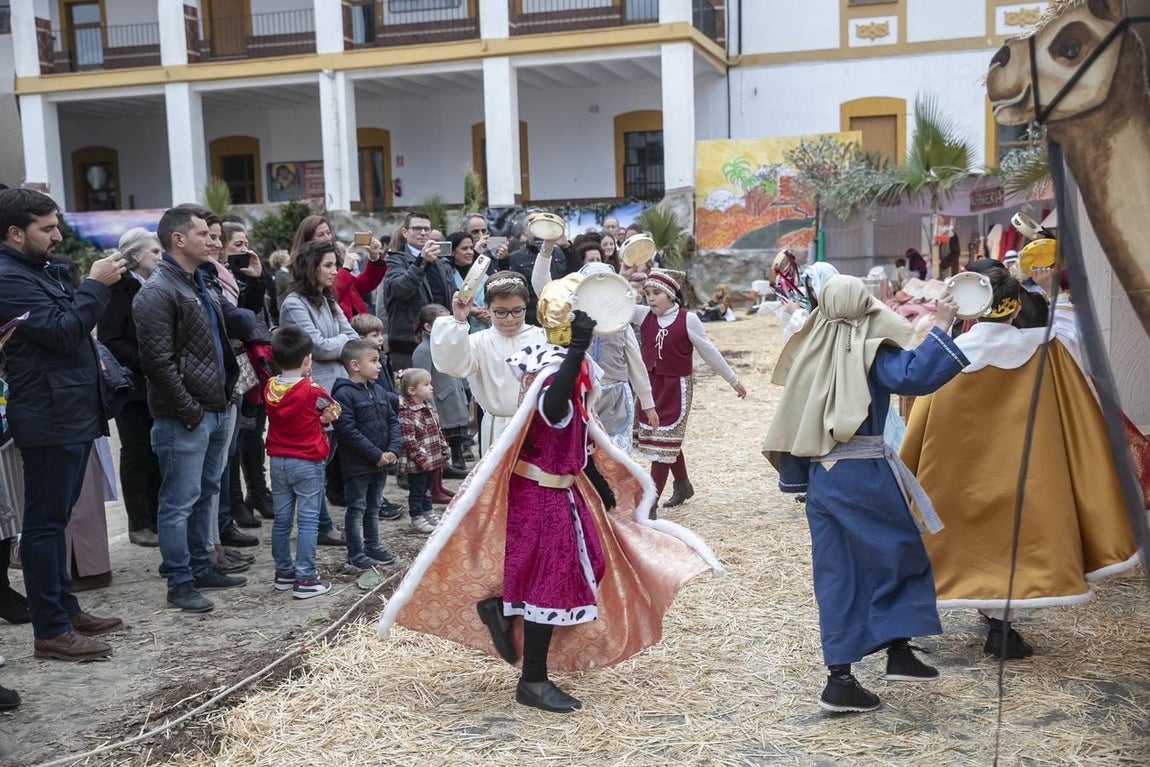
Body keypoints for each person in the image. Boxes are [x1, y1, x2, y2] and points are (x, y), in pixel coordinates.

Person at [378, 279, 722, 713]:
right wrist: (578, 349)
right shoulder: (551, 369)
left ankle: (502, 611)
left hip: (562, 488)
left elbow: (579, 431)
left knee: (587, 562)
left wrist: (597, 482)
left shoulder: (563, 364)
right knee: (551, 578)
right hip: (540, 492)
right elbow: (554, 408)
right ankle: (533, 680)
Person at [900, 271, 1139, 659]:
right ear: (1014, 310)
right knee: (1014, 545)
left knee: (964, 545)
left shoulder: (948, 355)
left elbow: (922, 423)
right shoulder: (1047, 353)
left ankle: (929, 625)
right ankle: (1001, 628)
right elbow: (1078, 412)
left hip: (957, 479)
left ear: (974, 311)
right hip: (1029, 474)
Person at [762, 275, 966, 713]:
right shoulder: (869, 350)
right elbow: (914, 376)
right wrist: (944, 324)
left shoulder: (810, 351)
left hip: (823, 480)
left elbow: (793, 420)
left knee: (839, 575)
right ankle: (897, 651)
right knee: (899, 556)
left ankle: (843, 680)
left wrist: (798, 479)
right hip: (863, 473)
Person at [0, 188, 124, 659]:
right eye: (46, 229)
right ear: (15, 233)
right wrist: (95, 284)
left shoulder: (36, 270)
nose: (56, 236)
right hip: (48, 413)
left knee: (57, 520)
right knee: (44, 526)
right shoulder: (8, 277)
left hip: (68, 409)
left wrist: (85, 286)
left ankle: (65, 610)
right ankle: (50, 631)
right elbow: (63, 330)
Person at [134, 206, 249, 613]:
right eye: (203, 233)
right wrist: (189, 411)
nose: (212, 239)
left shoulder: (200, 281)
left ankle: (203, 566)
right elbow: (157, 363)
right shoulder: (157, 290)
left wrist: (224, 395)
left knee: (207, 493)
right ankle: (179, 580)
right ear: (178, 239)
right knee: (178, 501)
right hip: (186, 415)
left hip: (216, 405)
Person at [632, 269, 747, 512]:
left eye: (656, 293)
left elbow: (709, 352)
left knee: (665, 441)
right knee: (665, 440)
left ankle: (649, 504)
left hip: (676, 388)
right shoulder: (643, 315)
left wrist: (733, 380)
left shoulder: (688, 319)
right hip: (650, 388)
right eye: (647, 293)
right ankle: (683, 484)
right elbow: (615, 308)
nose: (650, 298)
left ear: (671, 295)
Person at [279, 239, 357, 547]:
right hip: (311, 393)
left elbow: (350, 336)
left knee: (327, 456)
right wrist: (339, 343)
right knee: (314, 463)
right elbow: (317, 346)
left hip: (333, 388)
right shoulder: (294, 303)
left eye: (335, 265)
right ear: (311, 268)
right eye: (327, 265)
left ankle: (321, 523)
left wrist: (336, 343)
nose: (334, 271)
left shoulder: (328, 299)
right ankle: (319, 525)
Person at [431, 272, 547, 454]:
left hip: (538, 426)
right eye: (500, 312)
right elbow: (452, 365)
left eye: (517, 311)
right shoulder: (478, 342)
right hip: (498, 427)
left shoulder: (542, 337)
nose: (510, 319)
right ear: (486, 308)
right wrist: (459, 319)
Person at [97, 227, 163, 547]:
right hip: (134, 386)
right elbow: (109, 339)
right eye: (154, 252)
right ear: (134, 256)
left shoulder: (157, 285)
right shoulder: (118, 291)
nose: (160, 257)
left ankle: (157, 517)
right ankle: (140, 522)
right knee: (137, 453)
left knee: (158, 452)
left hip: (159, 383)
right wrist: (145, 359)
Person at [265, 325, 339, 599]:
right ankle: (306, 577)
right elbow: (332, 409)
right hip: (307, 460)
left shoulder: (270, 387)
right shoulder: (312, 390)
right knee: (308, 520)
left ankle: (284, 572)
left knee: (282, 520)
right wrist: (326, 418)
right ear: (307, 359)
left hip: (278, 460)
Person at [331, 339, 400, 571]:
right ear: (355, 365)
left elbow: (392, 421)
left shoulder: (379, 390)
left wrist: (392, 450)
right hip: (358, 466)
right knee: (357, 508)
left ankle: (373, 546)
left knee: (374, 507)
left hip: (380, 462)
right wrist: (375, 455)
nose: (379, 365)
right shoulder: (343, 395)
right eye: (373, 360)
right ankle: (355, 553)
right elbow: (347, 431)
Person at [382, 212, 454, 371]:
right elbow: (400, 290)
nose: (422, 233)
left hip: (442, 340)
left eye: (426, 229)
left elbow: (449, 296)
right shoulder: (396, 259)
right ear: (405, 232)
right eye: (417, 228)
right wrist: (422, 261)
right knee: (415, 393)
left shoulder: (441, 262)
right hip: (409, 344)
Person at [412, 304, 470, 496]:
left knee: (442, 448)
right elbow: (422, 382)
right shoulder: (423, 350)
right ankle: (434, 489)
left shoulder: (445, 345)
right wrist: (431, 410)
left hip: (451, 400)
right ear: (428, 327)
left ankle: (439, 484)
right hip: (438, 405)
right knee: (434, 449)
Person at [396, 368, 449, 535]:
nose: (431, 387)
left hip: (432, 458)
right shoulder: (407, 413)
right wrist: (420, 458)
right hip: (419, 462)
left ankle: (428, 512)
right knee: (418, 489)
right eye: (426, 384)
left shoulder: (427, 408)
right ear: (412, 390)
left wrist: (443, 448)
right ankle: (417, 516)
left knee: (428, 487)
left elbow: (437, 431)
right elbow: (408, 440)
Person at [334, 234, 385, 321]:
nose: (327, 237)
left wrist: (375, 259)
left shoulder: (341, 271)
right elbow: (333, 293)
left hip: (359, 327)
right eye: (321, 234)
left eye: (328, 233)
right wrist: (345, 269)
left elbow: (365, 283)